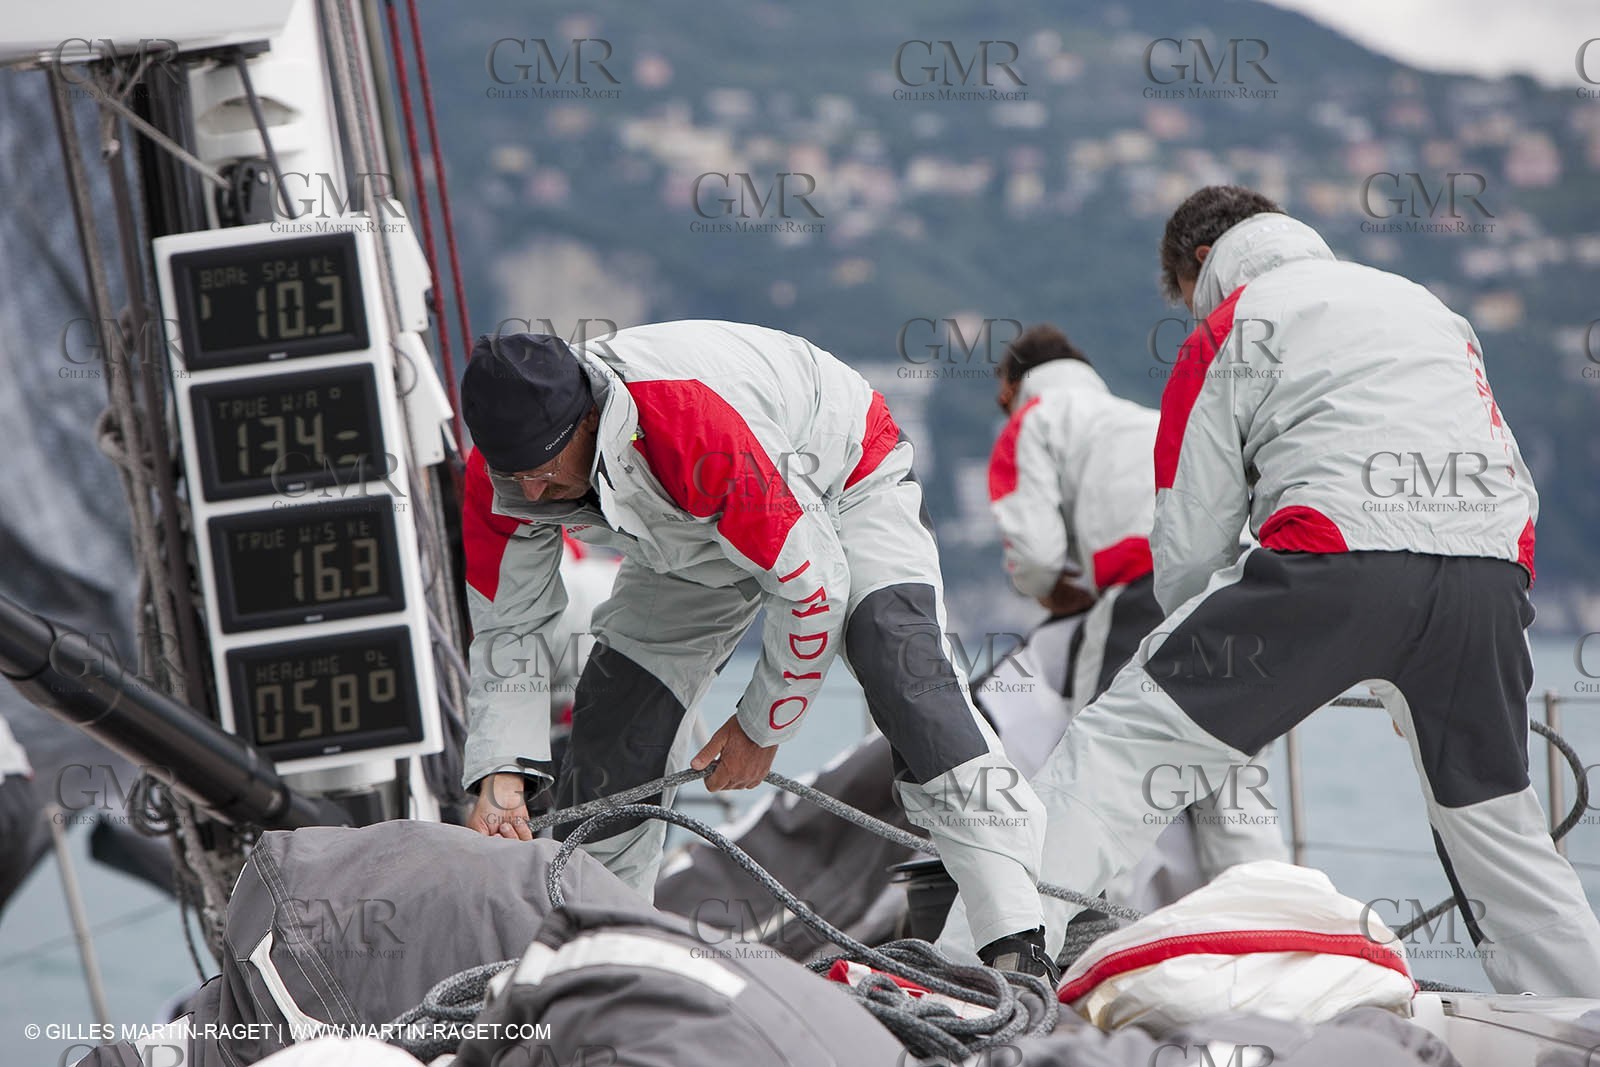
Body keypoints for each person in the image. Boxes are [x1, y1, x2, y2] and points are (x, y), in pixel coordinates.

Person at [1017, 184, 1600, 994]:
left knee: (1114, 746)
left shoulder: (1230, 324)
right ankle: (1576, 1014)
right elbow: (1512, 477)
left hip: (1330, 559)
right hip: (1487, 581)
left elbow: (1191, 533)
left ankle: (979, 967)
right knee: (1501, 832)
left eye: (1188, 301)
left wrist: (1199, 669)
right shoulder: (1426, 307)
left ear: (1200, 267)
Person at [458, 321, 1055, 977]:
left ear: (587, 418)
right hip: (688, 541)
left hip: (840, 478)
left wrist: (759, 726)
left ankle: (1017, 936)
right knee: (613, 729)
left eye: (544, 471)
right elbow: (506, 630)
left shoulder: (687, 420)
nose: (533, 493)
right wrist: (501, 776)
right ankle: (604, 955)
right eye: (516, 478)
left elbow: (809, 588)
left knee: (903, 669)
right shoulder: (505, 472)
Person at [988, 324, 1284, 872]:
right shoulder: (1141, 417)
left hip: (1147, 590)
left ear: (1009, 389)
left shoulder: (1036, 419)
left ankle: (1096, 930)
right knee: (1232, 776)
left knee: (1098, 772)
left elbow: (1034, 555)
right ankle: (1263, 925)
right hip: (1247, 587)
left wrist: (1056, 594)